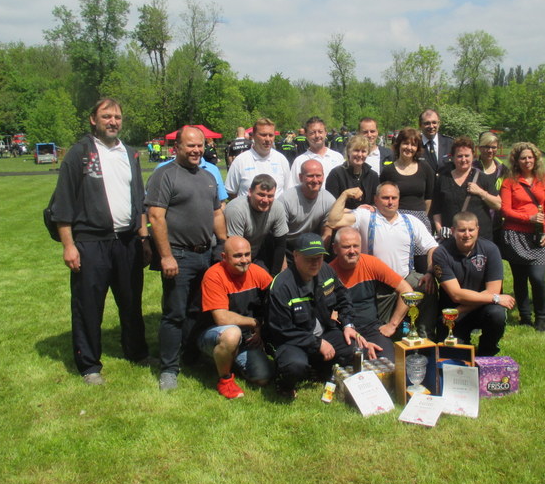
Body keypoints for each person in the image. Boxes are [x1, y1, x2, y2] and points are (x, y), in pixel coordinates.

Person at [49, 98, 152, 385]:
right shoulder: (80, 153)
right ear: (93, 120)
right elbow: (63, 204)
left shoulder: (130, 154)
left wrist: (143, 238)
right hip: (91, 242)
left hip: (127, 241)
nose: (113, 121)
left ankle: (137, 351)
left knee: (131, 301)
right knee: (89, 306)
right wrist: (69, 245)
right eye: (106, 116)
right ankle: (89, 365)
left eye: (117, 117)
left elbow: (139, 200)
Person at [145, 125, 227, 390]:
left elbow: (217, 213)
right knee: (174, 313)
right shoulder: (165, 175)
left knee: (198, 310)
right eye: (190, 145)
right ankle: (169, 368)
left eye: (200, 145)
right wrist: (166, 256)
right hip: (178, 254)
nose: (196, 150)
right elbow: (156, 216)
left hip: (205, 254)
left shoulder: (208, 176)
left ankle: (190, 356)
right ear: (177, 147)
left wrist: (222, 244)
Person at [266, 233, 377, 398]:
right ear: (295, 256)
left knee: (356, 349)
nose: (315, 263)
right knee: (294, 366)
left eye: (319, 257)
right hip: (293, 341)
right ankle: (284, 383)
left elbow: (343, 298)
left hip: (324, 333)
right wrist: (317, 343)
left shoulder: (326, 270)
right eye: (309, 258)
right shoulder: (281, 286)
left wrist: (347, 325)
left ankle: (320, 370)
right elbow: (281, 331)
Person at [327, 182, 440, 339]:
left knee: (427, 287)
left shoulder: (410, 221)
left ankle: (426, 339)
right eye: (385, 198)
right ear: (376, 199)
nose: (390, 202)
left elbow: (433, 247)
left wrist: (429, 271)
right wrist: (345, 195)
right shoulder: (366, 216)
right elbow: (333, 222)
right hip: (377, 284)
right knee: (380, 329)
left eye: (394, 198)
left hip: (405, 276)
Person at [198, 237, 275, 399]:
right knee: (232, 334)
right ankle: (225, 380)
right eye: (238, 256)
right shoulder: (214, 276)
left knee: (262, 377)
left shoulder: (257, 272)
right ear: (224, 257)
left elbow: (276, 302)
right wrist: (255, 323)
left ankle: (229, 358)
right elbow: (221, 318)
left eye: (247, 254)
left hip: (247, 338)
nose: (244, 260)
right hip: (215, 334)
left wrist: (262, 329)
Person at [433, 212, 516, 356]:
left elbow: (493, 290)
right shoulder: (441, 253)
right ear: (453, 231)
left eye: (471, 230)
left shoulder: (490, 249)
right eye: (462, 230)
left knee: (497, 314)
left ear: (478, 229)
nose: (467, 234)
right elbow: (456, 295)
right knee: (454, 358)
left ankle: (487, 352)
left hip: (478, 309)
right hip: (452, 313)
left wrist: (461, 310)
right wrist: (496, 298)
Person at [330, 227, 412, 360]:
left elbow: (406, 290)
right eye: (346, 247)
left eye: (356, 246)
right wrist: (362, 342)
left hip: (372, 328)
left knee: (389, 361)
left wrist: (392, 325)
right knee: (356, 359)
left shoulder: (371, 263)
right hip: (344, 330)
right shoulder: (328, 272)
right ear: (335, 248)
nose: (352, 251)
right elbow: (329, 314)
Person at [500, 142, 545, 332]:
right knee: (520, 279)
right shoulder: (509, 182)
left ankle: (541, 317)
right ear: (516, 161)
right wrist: (528, 218)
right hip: (515, 236)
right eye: (523, 158)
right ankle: (525, 316)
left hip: (539, 236)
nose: (527, 161)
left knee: (537, 277)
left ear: (536, 159)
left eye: (530, 157)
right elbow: (505, 210)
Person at [433, 136, 501, 242]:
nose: (463, 159)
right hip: (451, 238)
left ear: (473, 156)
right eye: (459, 156)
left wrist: (480, 192)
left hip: (480, 239)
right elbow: (436, 209)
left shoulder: (483, 178)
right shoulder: (443, 179)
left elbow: (498, 205)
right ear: (453, 157)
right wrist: (440, 229)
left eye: (467, 156)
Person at [225, 174, 288, 275]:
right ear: (250, 192)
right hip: (233, 256)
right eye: (261, 195)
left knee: (266, 279)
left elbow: (280, 244)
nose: (265, 200)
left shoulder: (277, 207)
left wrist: (274, 276)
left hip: (255, 254)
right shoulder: (237, 209)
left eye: (270, 196)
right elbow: (235, 249)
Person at [380, 127, 435, 232]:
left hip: (420, 220)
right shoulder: (388, 170)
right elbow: (382, 198)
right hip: (396, 219)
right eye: (405, 143)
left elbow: (429, 198)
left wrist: (424, 216)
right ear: (399, 145)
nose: (409, 147)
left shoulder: (425, 168)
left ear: (417, 148)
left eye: (413, 145)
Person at [281, 160, 336, 259]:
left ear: (323, 176)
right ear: (300, 177)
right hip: (288, 246)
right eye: (310, 176)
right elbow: (279, 237)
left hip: (313, 246)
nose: (315, 180)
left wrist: (320, 259)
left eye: (318, 176)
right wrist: (283, 263)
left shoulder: (329, 200)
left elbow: (327, 232)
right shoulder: (286, 199)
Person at [225, 118, 291, 199]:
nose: (268, 139)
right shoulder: (240, 161)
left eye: (271, 135)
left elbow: (287, 191)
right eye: (263, 135)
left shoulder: (281, 160)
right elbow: (231, 192)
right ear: (253, 136)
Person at [324, 134, 380, 209]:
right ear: (348, 151)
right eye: (356, 150)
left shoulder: (373, 176)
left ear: (368, 153)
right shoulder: (336, 174)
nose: (359, 154)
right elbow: (331, 206)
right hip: (343, 215)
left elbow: (376, 202)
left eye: (363, 151)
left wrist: (371, 208)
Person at [288, 116, 344, 189]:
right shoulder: (299, 161)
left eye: (320, 132)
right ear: (306, 135)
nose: (317, 136)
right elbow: (292, 189)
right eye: (312, 133)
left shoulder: (338, 157)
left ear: (325, 133)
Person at [473, 131, 508, 244]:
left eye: (493, 147)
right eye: (486, 147)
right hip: (476, 222)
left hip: (497, 223)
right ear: (479, 148)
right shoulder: (471, 168)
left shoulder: (503, 169)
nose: (490, 151)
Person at [419, 109, 454, 174]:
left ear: (439, 124)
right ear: (420, 125)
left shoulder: (450, 143)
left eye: (434, 122)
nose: (431, 126)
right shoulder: (415, 144)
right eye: (427, 123)